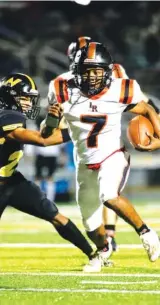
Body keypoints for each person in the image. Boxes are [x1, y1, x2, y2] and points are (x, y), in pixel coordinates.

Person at [42, 42, 160, 272]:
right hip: (84, 161)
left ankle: (146, 233)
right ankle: (103, 251)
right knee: (90, 223)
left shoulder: (121, 88)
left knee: (109, 195)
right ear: (76, 72)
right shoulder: (61, 88)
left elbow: (147, 109)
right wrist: (52, 120)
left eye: (98, 71)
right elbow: (48, 133)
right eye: (87, 71)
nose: (93, 77)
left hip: (112, 154)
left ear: (107, 71)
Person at [0, 72, 103, 272]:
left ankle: (93, 255)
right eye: (24, 98)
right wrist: (76, 131)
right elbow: (42, 140)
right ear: (9, 96)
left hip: (12, 182)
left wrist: (54, 121)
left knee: (54, 214)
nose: (29, 103)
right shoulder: (6, 117)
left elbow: (44, 135)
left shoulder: (12, 116)